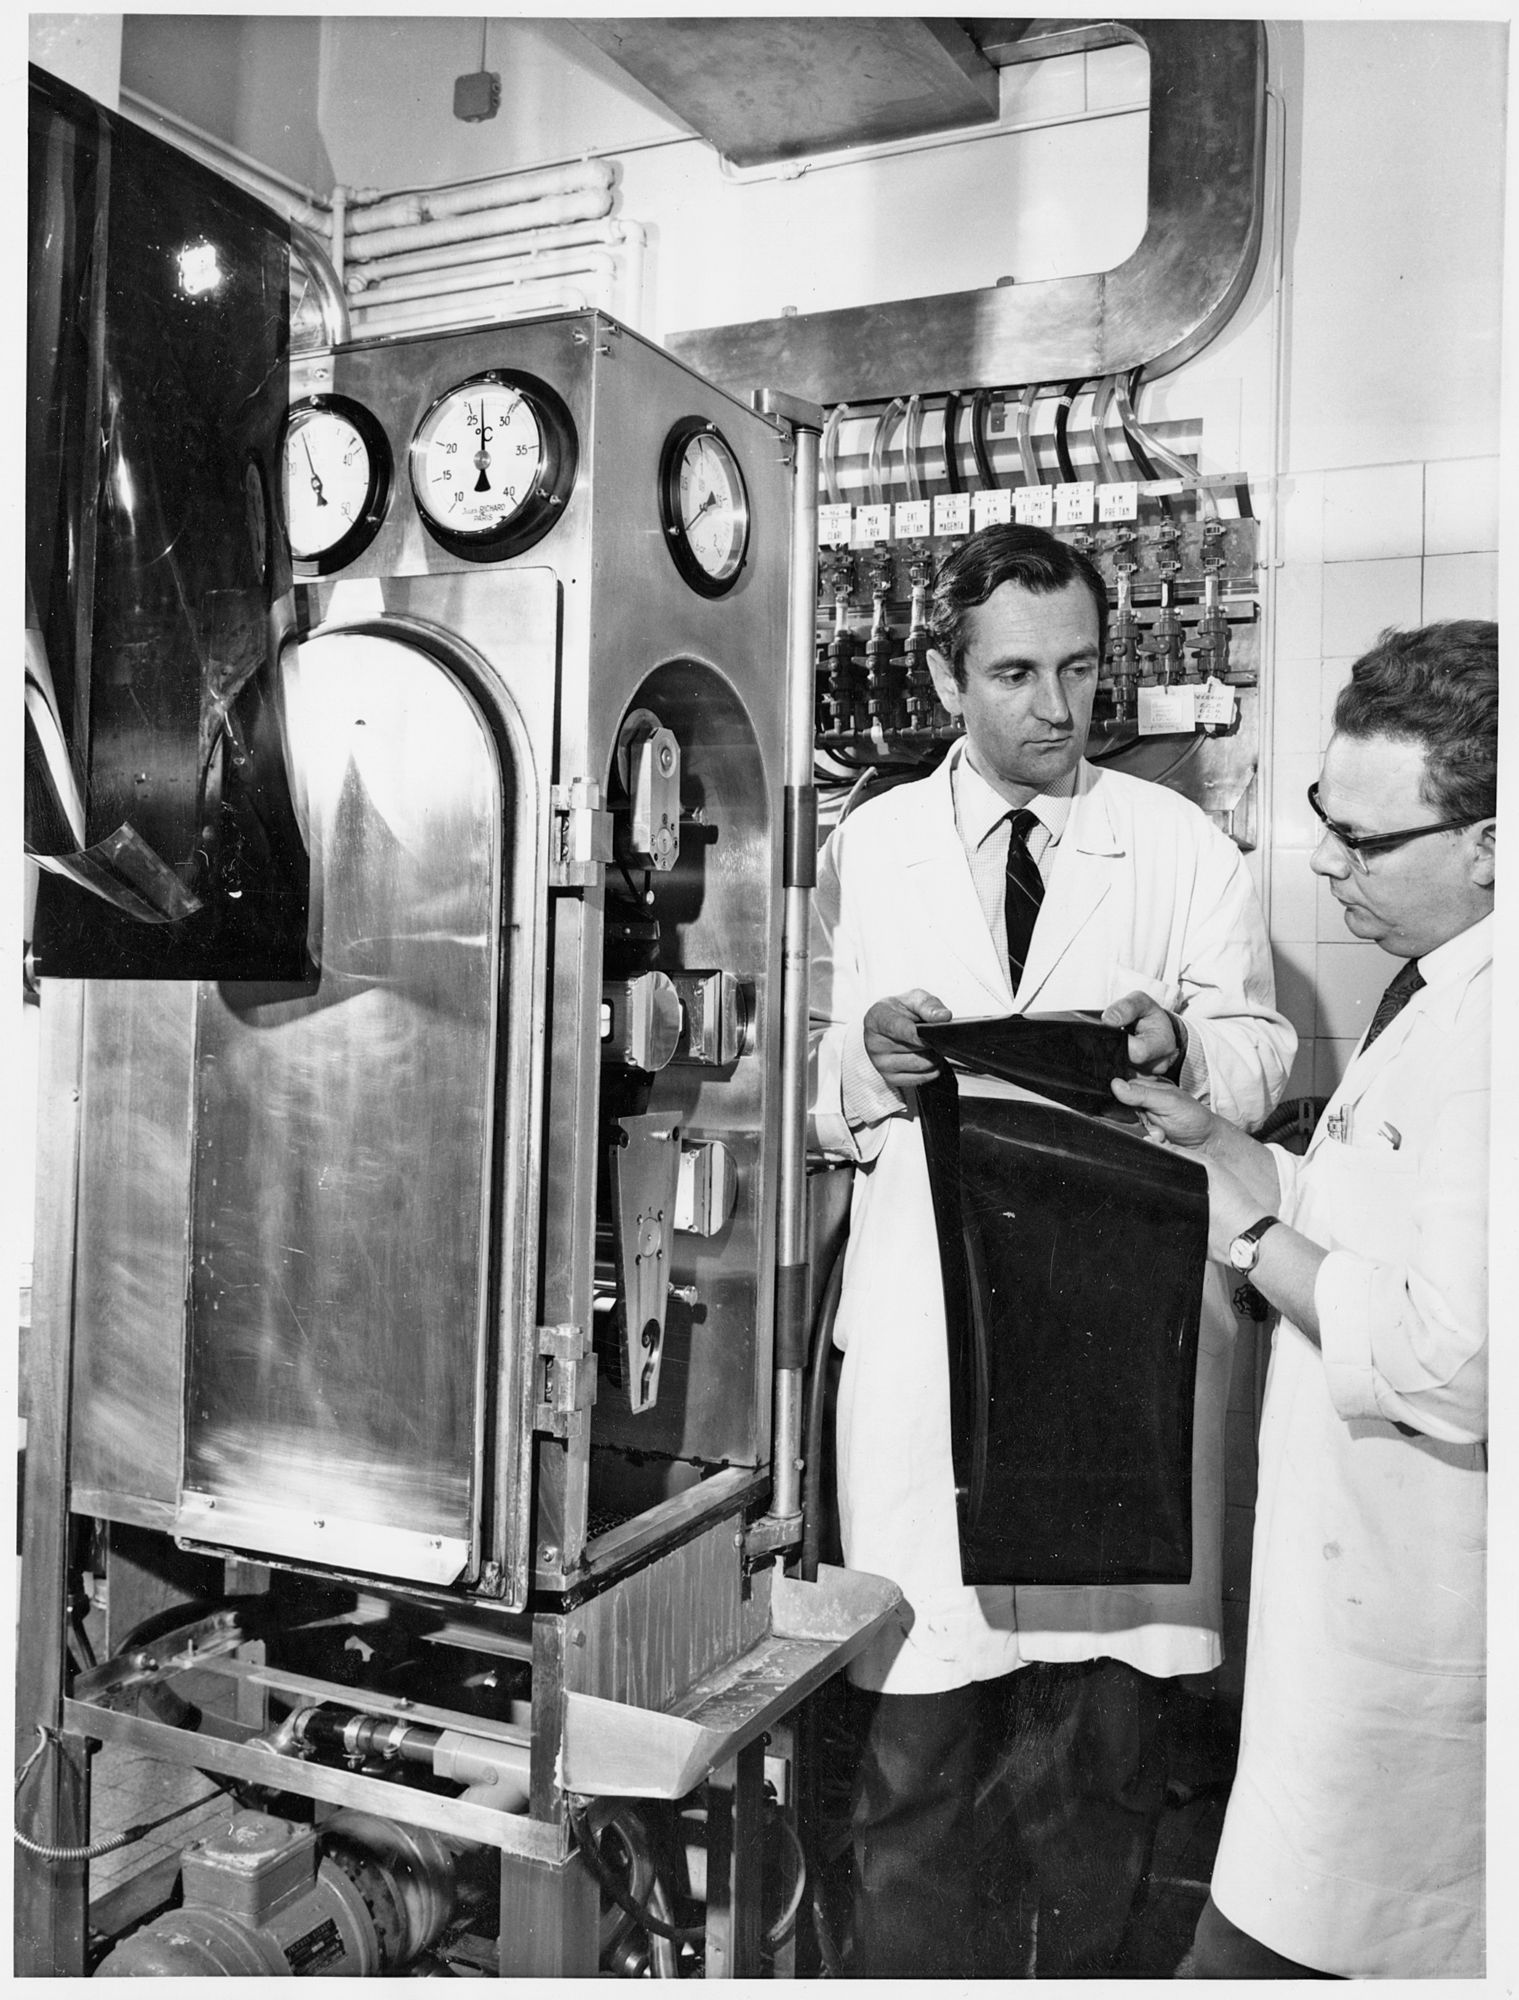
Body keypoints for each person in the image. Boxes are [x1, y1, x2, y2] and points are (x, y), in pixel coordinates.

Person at [808, 522, 1296, 1976]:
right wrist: (867, 1059)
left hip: (1116, 1324)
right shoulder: (870, 847)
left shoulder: (1178, 844)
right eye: (1016, 674)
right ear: (945, 680)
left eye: (1079, 670)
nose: (1056, 706)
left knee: (1104, 1755)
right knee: (919, 1748)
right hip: (932, 1319)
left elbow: (1263, 1053)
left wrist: (1178, 1042)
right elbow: (811, 1085)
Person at [1114, 619, 1494, 1978]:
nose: (1327, 862)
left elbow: (1457, 1358)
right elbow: (1384, 1220)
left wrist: (1252, 1231)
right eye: (1326, 819)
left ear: (1492, 842)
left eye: (1365, 841)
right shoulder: (1439, 988)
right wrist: (1228, 1151)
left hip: (1414, 1638)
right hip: (1351, 1619)